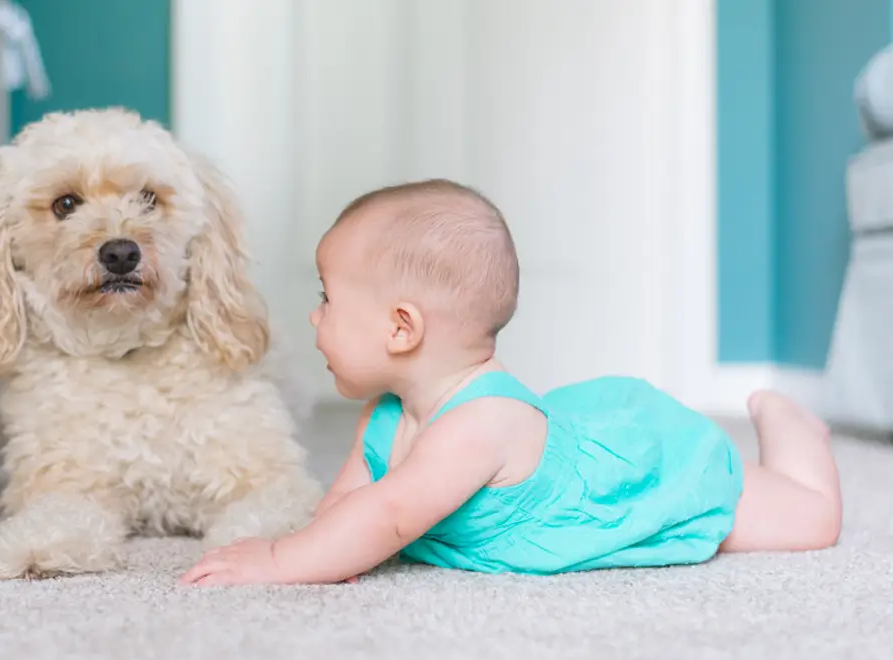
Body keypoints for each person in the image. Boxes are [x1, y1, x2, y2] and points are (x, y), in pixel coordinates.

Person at [180, 179, 843, 586]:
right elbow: (349, 508)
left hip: (636, 473)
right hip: (563, 438)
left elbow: (388, 514)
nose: (314, 315)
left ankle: (790, 426)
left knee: (810, 520)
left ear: (401, 328)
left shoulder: (477, 425)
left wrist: (277, 560)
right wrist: (320, 549)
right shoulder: (384, 416)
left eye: (329, 299)